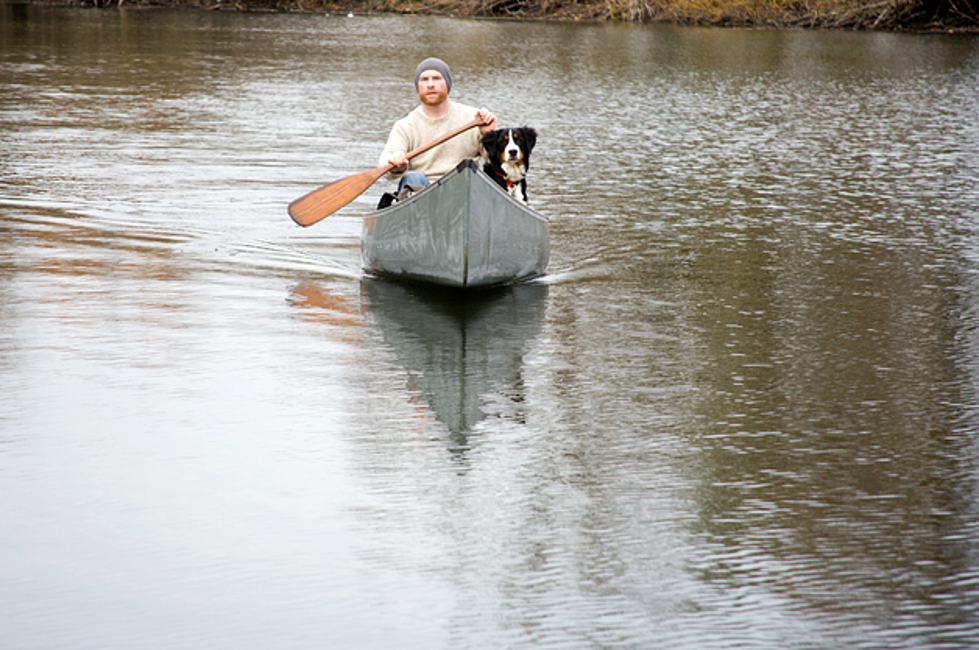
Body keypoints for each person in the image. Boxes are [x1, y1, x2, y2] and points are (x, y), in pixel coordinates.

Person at [379, 58, 497, 197]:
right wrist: (395, 163)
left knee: (473, 173)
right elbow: (385, 164)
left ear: (447, 84)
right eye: (424, 79)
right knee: (412, 177)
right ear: (418, 87)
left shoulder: (474, 119)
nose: (430, 85)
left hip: (465, 192)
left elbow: (496, 163)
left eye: (436, 78)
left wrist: (489, 135)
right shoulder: (405, 126)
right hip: (424, 196)